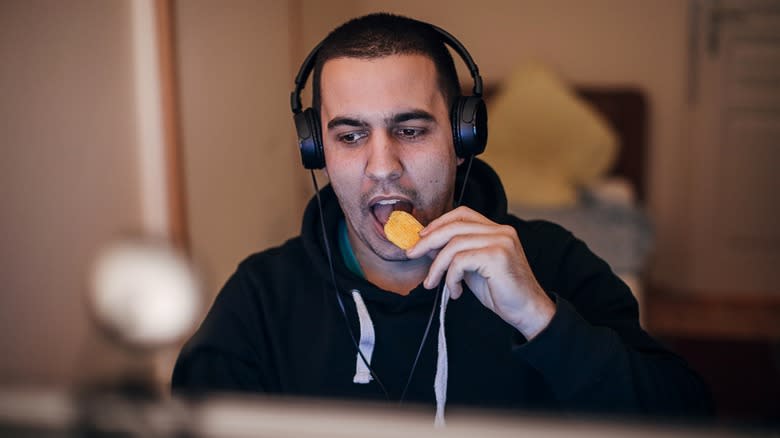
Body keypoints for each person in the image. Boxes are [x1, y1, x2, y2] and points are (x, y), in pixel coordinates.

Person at [172, 13, 712, 422]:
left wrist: (542, 321)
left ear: (461, 140)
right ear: (318, 152)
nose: (382, 167)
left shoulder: (552, 262)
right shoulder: (262, 296)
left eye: (410, 130)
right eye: (351, 135)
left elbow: (689, 418)